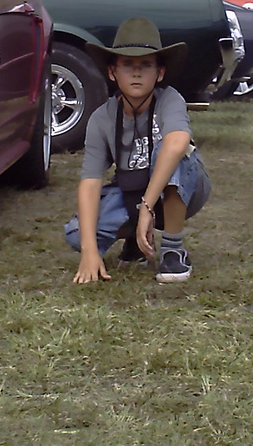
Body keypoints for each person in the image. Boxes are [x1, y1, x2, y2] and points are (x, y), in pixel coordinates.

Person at [66, 19, 211, 285]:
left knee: (169, 152)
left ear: (159, 73)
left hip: (181, 187)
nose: (136, 73)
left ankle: (173, 249)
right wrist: (89, 251)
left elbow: (179, 142)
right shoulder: (102, 118)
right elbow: (90, 182)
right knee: (77, 234)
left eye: (145, 65)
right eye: (127, 65)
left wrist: (146, 207)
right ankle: (135, 239)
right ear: (112, 72)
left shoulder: (170, 99)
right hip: (133, 190)